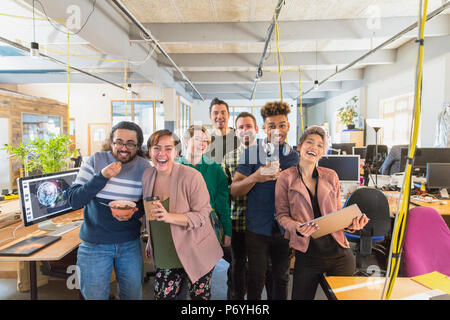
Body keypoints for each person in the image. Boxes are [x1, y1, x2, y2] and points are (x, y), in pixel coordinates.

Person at [275, 125, 369, 300]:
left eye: (320, 145)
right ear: (300, 147)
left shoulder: (331, 175)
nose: (314, 148)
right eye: (310, 143)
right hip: (307, 254)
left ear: (323, 151)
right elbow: (281, 215)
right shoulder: (285, 178)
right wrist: (297, 227)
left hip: (339, 253)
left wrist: (351, 224)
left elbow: (337, 212)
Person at [67, 121, 151, 300]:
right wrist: (102, 177)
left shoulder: (144, 167)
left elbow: (146, 204)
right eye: (119, 141)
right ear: (111, 142)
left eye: (130, 143)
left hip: (129, 243)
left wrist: (134, 213)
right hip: (94, 245)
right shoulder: (95, 160)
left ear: (137, 146)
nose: (124, 147)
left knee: (132, 296)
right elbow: (74, 200)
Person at [230, 101, 299, 300]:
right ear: (264, 128)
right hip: (257, 228)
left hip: (283, 229)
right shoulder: (252, 153)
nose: (277, 130)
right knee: (256, 278)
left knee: (281, 277)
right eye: (271, 126)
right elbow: (234, 190)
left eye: (282, 125)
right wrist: (256, 177)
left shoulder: (294, 158)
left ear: (288, 126)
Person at [142, 130, 223, 300]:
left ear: (177, 152)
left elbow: (203, 214)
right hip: (166, 251)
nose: (161, 153)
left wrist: (169, 217)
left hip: (196, 250)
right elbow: (151, 212)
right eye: (156, 148)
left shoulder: (192, 176)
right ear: (149, 151)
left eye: (168, 148)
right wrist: (151, 238)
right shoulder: (147, 175)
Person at [179, 125, 232, 248]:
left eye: (205, 141)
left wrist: (228, 231)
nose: (202, 144)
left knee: (208, 266)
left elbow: (222, 203)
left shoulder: (215, 169)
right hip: (180, 224)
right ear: (186, 141)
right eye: (197, 139)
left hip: (209, 225)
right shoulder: (175, 168)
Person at [205, 97, 240, 163]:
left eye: (223, 113)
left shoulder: (240, 137)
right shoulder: (206, 142)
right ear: (210, 117)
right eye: (215, 113)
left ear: (228, 115)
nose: (219, 116)